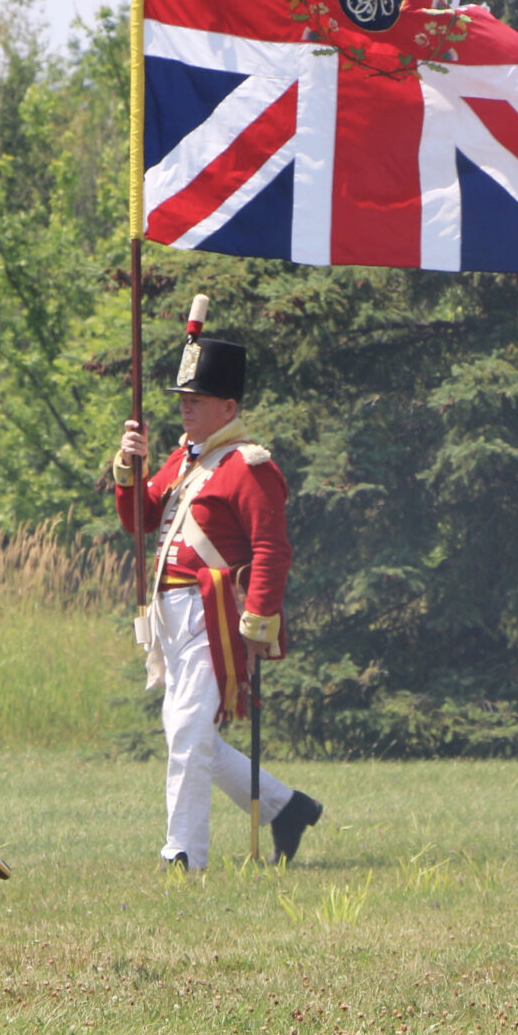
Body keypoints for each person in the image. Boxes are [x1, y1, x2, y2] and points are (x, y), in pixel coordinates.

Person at [114, 332, 322, 872]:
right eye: (183, 398)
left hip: (217, 616)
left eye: (196, 399)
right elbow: (140, 521)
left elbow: (271, 548)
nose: (185, 407)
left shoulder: (248, 465)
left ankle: (183, 855)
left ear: (227, 407)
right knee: (190, 734)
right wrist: (128, 469)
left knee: (186, 733)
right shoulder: (183, 461)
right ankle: (285, 806)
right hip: (171, 616)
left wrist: (257, 623)